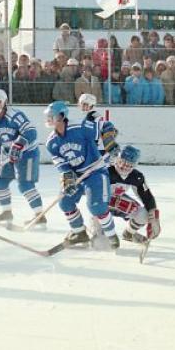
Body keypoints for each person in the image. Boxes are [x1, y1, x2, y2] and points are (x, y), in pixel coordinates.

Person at [44, 101, 118, 249]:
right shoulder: (51, 143)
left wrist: (109, 142)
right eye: (48, 116)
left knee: (96, 207)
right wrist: (67, 178)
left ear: (62, 116)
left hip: (95, 171)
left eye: (53, 115)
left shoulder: (80, 127)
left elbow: (105, 125)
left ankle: (111, 236)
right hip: (77, 176)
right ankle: (79, 233)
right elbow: (62, 165)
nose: (49, 118)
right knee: (65, 202)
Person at [0, 89, 46, 227]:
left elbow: (31, 132)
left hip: (27, 153)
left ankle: (39, 216)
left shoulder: (15, 115)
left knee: (24, 185)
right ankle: (6, 212)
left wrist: (18, 145)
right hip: (8, 156)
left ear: (5, 102)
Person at [107, 145, 161, 244]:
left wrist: (154, 216)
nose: (124, 167)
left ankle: (129, 233)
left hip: (118, 202)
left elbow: (146, 196)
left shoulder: (137, 177)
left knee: (144, 214)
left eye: (129, 165)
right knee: (100, 241)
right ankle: (97, 232)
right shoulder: (105, 171)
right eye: (122, 162)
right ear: (117, 159)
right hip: (100, 206)